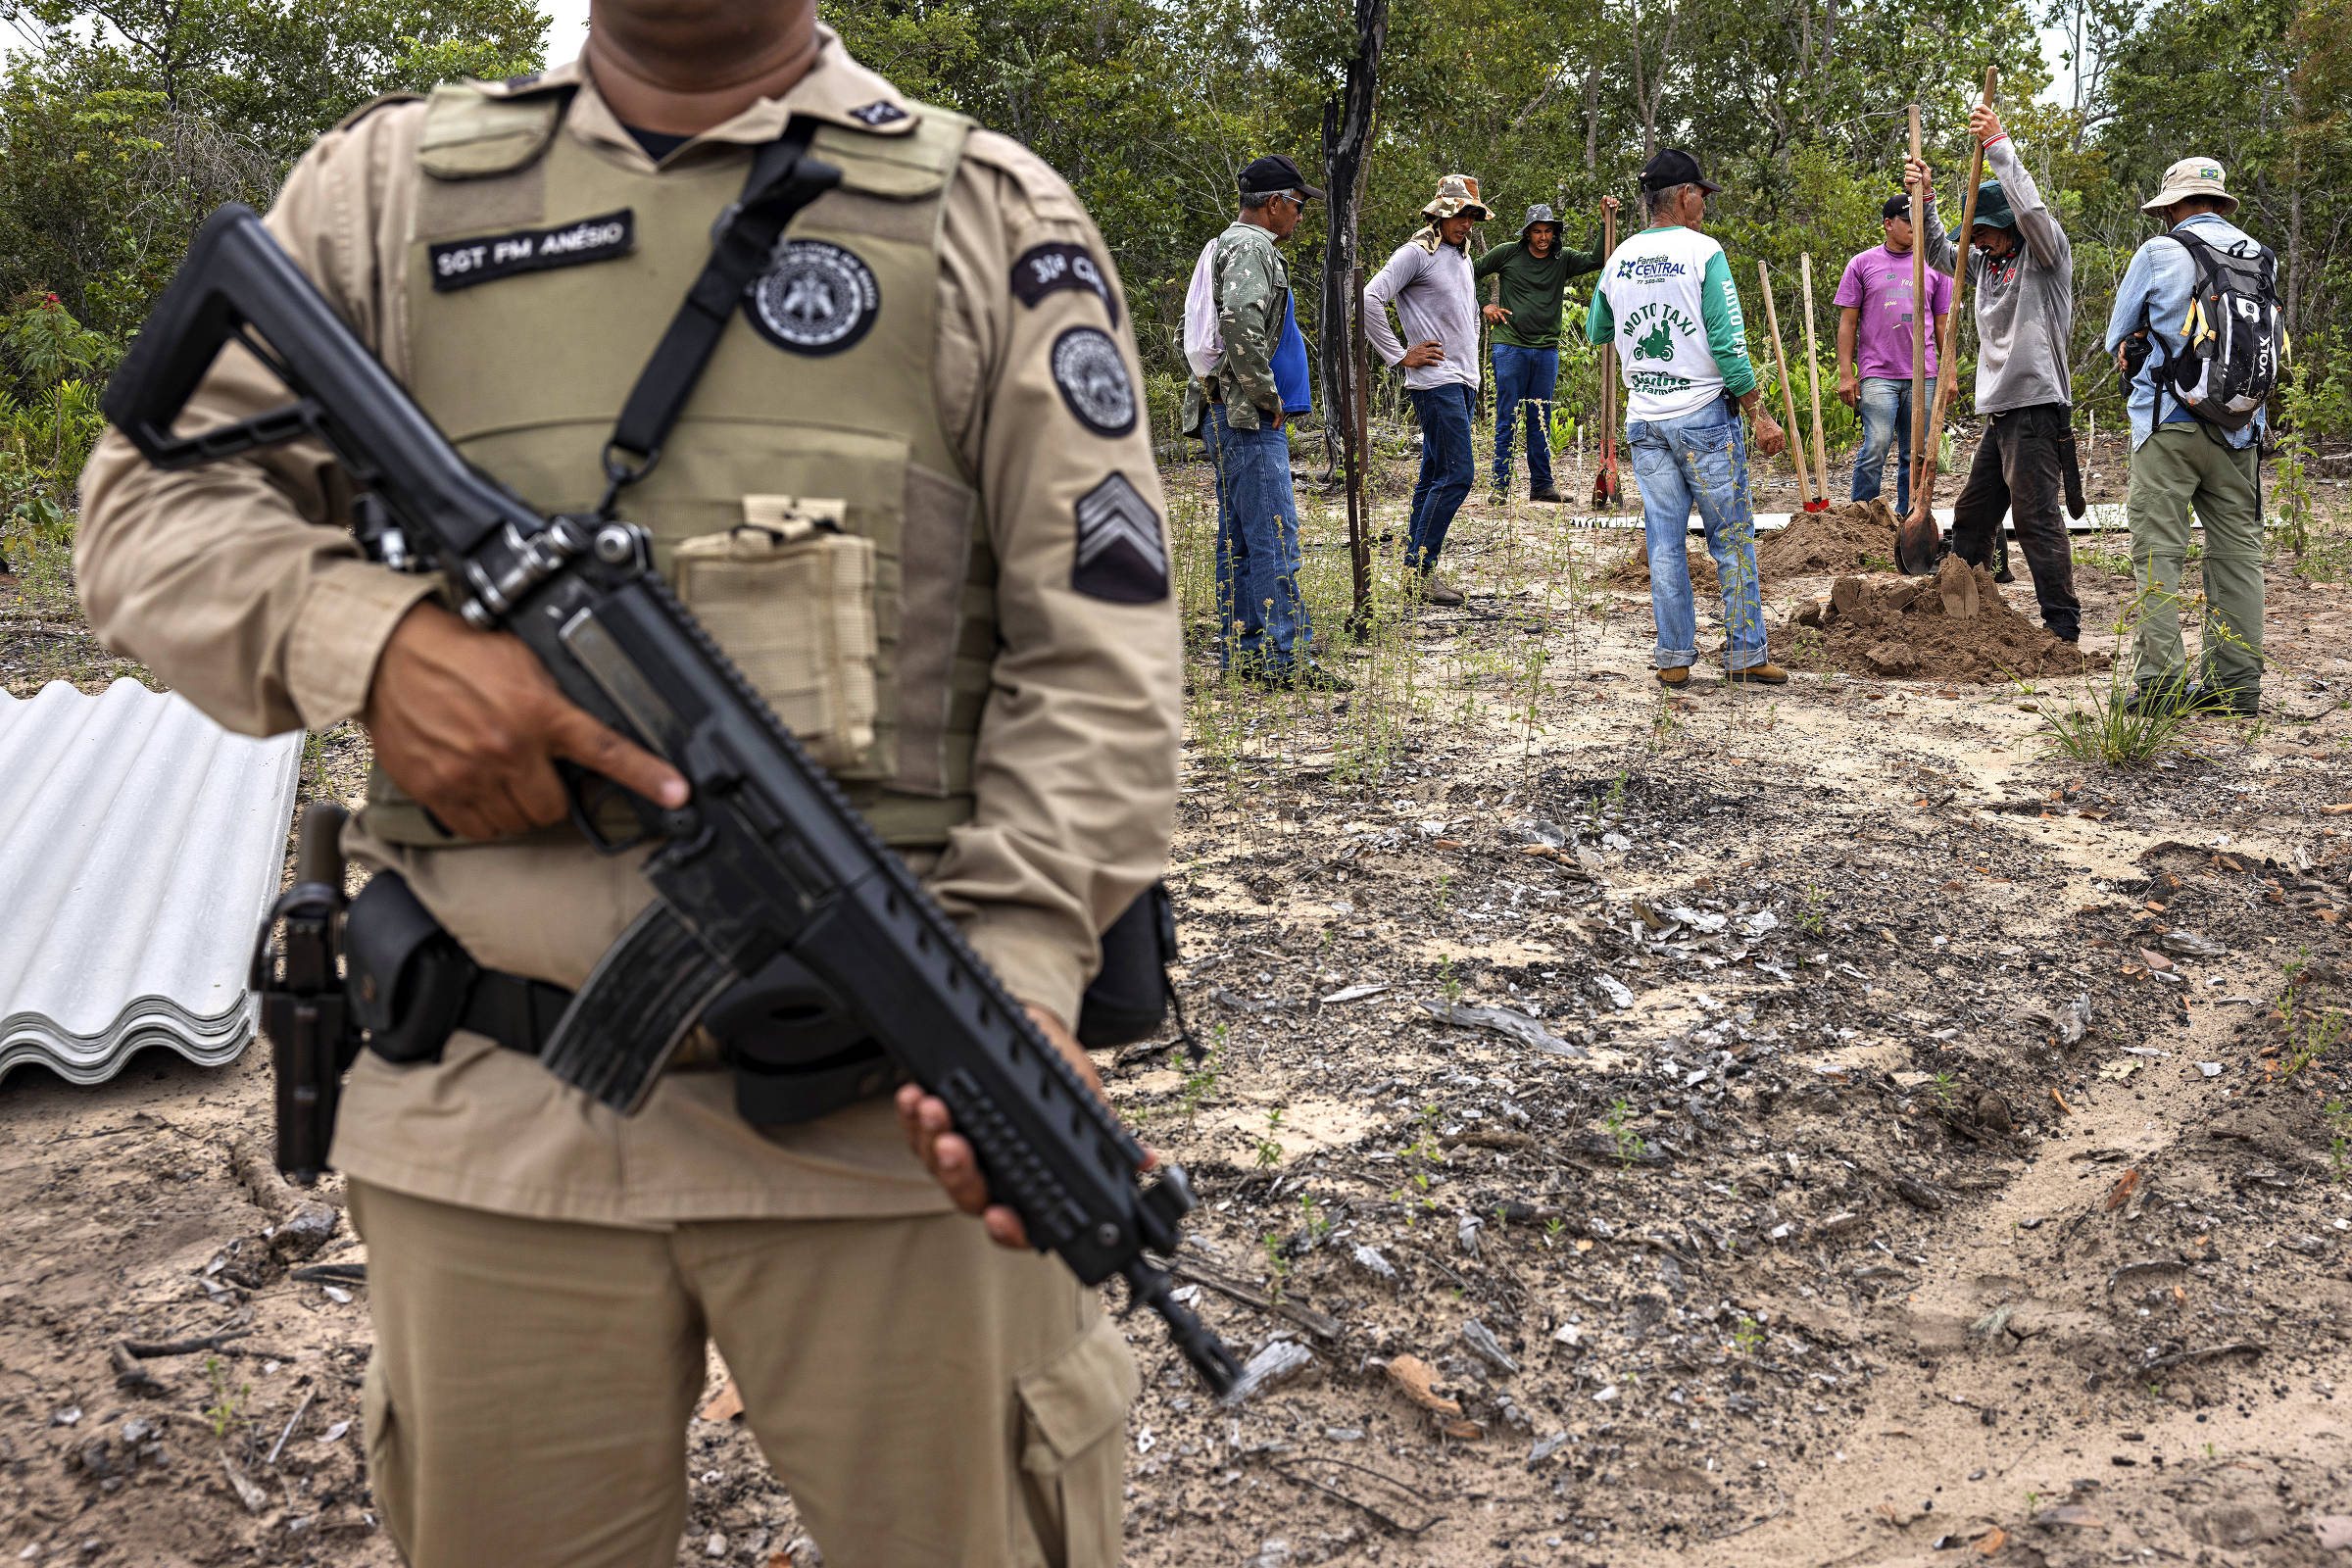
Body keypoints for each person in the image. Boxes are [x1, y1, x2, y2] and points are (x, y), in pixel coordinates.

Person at [76, 6, 1180, 1564]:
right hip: (491, 1117)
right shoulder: (387, 193)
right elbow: (145, 514)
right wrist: (374, 641)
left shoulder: (986, 212)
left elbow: (1103, 659)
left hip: (896, 1129)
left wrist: (1012, 989)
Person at [1587, 149, 1789, 689]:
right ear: (1683, 196)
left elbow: (1597, 331)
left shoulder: (1619, 257)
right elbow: (1727, 342)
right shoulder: (1704, 252)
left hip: (1645, 420)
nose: (1704, 204)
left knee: (1664, 541)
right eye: (1701, 193)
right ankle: (1746, 652)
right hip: (1702, 416)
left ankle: (1674, 656)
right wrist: (1760, 415)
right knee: (1731, 536)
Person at [2104, 157, 2271, 715]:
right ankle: (2237, 686)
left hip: (2167, 426)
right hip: (2241, 429)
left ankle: (2160, 683)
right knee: (2237, 556)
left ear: (2174, 206)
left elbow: (2117, 337)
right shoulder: (2260, 257)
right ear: (2222, 203)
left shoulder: (2159, 253)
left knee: (2158, 553)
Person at [1181, 154, 1349, 691]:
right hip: (1244, 415)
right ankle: (1286, 655)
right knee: (1274, 533)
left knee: (1240, 536)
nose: (1300, 215)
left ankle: (1246, 649)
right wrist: (1267, 397)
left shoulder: (1224, 244)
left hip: (1223, 410)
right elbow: (1239, 325)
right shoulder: (1253, 248)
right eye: (1297, 205)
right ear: (1274, 204)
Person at [1913, 108, 2082, 642]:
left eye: (1985, 233)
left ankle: (2061, 625)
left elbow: (2031, 211)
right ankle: (1969, 610)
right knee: (1974, 511)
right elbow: (1943, 254)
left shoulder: (2044, 256)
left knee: (2035, 519)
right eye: (1975, 236)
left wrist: (2000, 148)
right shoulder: (1986, 264)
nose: (1979, 244)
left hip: (2035, 408)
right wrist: (1928, 201)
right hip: (2001, 412)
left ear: (2009, 228)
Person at [1363, 173, 1489, 606]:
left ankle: (1417, 572)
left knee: (1435, 474)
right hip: (1436, 382)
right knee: (1458, 474)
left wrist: (1473, 366)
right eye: (1459, 215)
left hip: (1462, 379)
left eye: (1471, 215)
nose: (1466, 223)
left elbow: (1469, 313)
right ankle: (1420, 571)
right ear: (1439, 214)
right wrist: (1398, 355)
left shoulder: (1462, 257)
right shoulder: (1416, 253)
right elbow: (1369, 298)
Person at [1475, 199, 1617, 504]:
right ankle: (1500, 487)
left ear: (1554, 233)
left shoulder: (1561, 258)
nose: (1542, 237)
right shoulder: (1508, 253)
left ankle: (1541, 486)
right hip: (1510, 346)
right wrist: (1483, 304)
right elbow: (1470, 270)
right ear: (1527, 233)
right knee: (1507, 416)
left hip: (1545, 350)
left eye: (1547, 231)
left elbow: (1597, 259)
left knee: (1540, 418)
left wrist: (1606, 221)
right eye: (1536, 232)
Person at [1834, 191, 1952, 517]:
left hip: (1924, 375)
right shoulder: (1862, 264)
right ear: (1888, 224)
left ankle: (1909, 519)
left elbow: (1943, 324)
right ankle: (1862, 519)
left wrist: (1949, 374)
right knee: (1875, 447)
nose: (1915, 226)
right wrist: (1846, 374)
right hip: (1878, 374)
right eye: (1907, 220)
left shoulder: (1934, 264)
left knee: (1916, 454)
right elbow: (1848, 323)